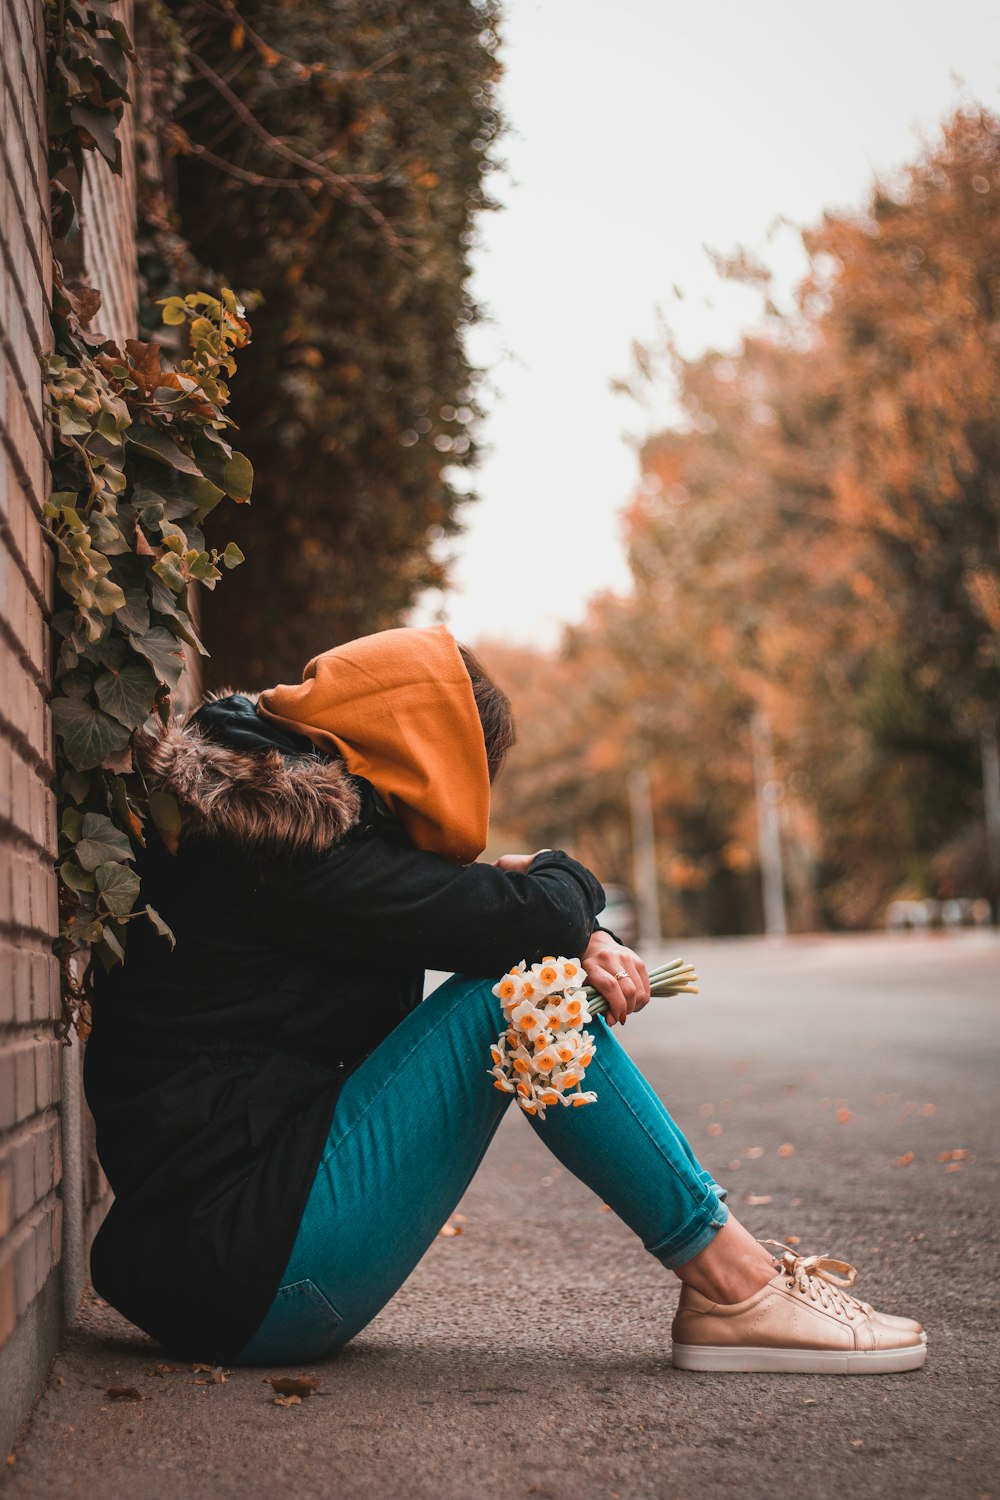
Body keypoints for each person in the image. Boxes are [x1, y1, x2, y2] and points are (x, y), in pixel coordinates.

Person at [84, 625, 926, 1374]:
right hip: (256, 1274)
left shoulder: (256, 815)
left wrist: (543, 918)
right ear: (426, 755)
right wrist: (562, 910)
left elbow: (493, 911)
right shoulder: (289, 846)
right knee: (519, 998)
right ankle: (736, 1288)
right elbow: (539, 913)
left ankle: (738, 1283)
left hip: (232, 1264)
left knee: (524, 972)